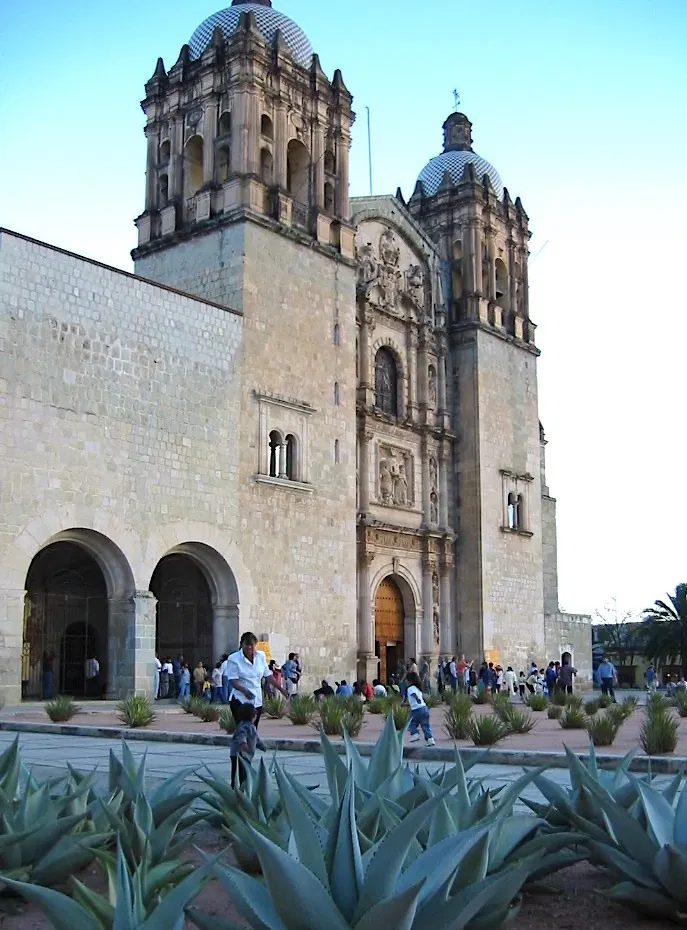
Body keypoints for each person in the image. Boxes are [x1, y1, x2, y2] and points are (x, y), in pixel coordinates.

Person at [226, 631, 288, 729]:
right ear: (241, 644)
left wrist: (281, 689)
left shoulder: (261, 656)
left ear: (255, 645)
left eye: (252, 645)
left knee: (253, 729)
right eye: (247, 645)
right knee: (243, 728)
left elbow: (267, 675)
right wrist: (245, 691)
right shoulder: (233, 659)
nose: (249, 648)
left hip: (256, 699)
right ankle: (241, 743)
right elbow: (233, 681)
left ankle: (251, 744)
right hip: (240, 699)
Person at [230, 702, 267, 788]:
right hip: (240, 754)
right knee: (241, 773)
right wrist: (243, 743)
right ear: (252, 716)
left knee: (241, 772)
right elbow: (241, 735)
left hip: (244, 754)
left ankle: (238, 787)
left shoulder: (249, 726)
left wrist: (262, 746)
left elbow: (256, 740)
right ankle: (239, 788)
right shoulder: (245, 726)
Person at [405, 671, 435, 746]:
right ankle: (430, 739)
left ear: (410, 681)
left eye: (406, 680)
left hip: (416, 709)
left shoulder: (410, 688)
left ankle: (415, 734)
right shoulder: (418, 688)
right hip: (424, 708)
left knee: (410, 722)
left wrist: (417, 699)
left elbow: (413, 694)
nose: (405, 681)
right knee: (425, 725)